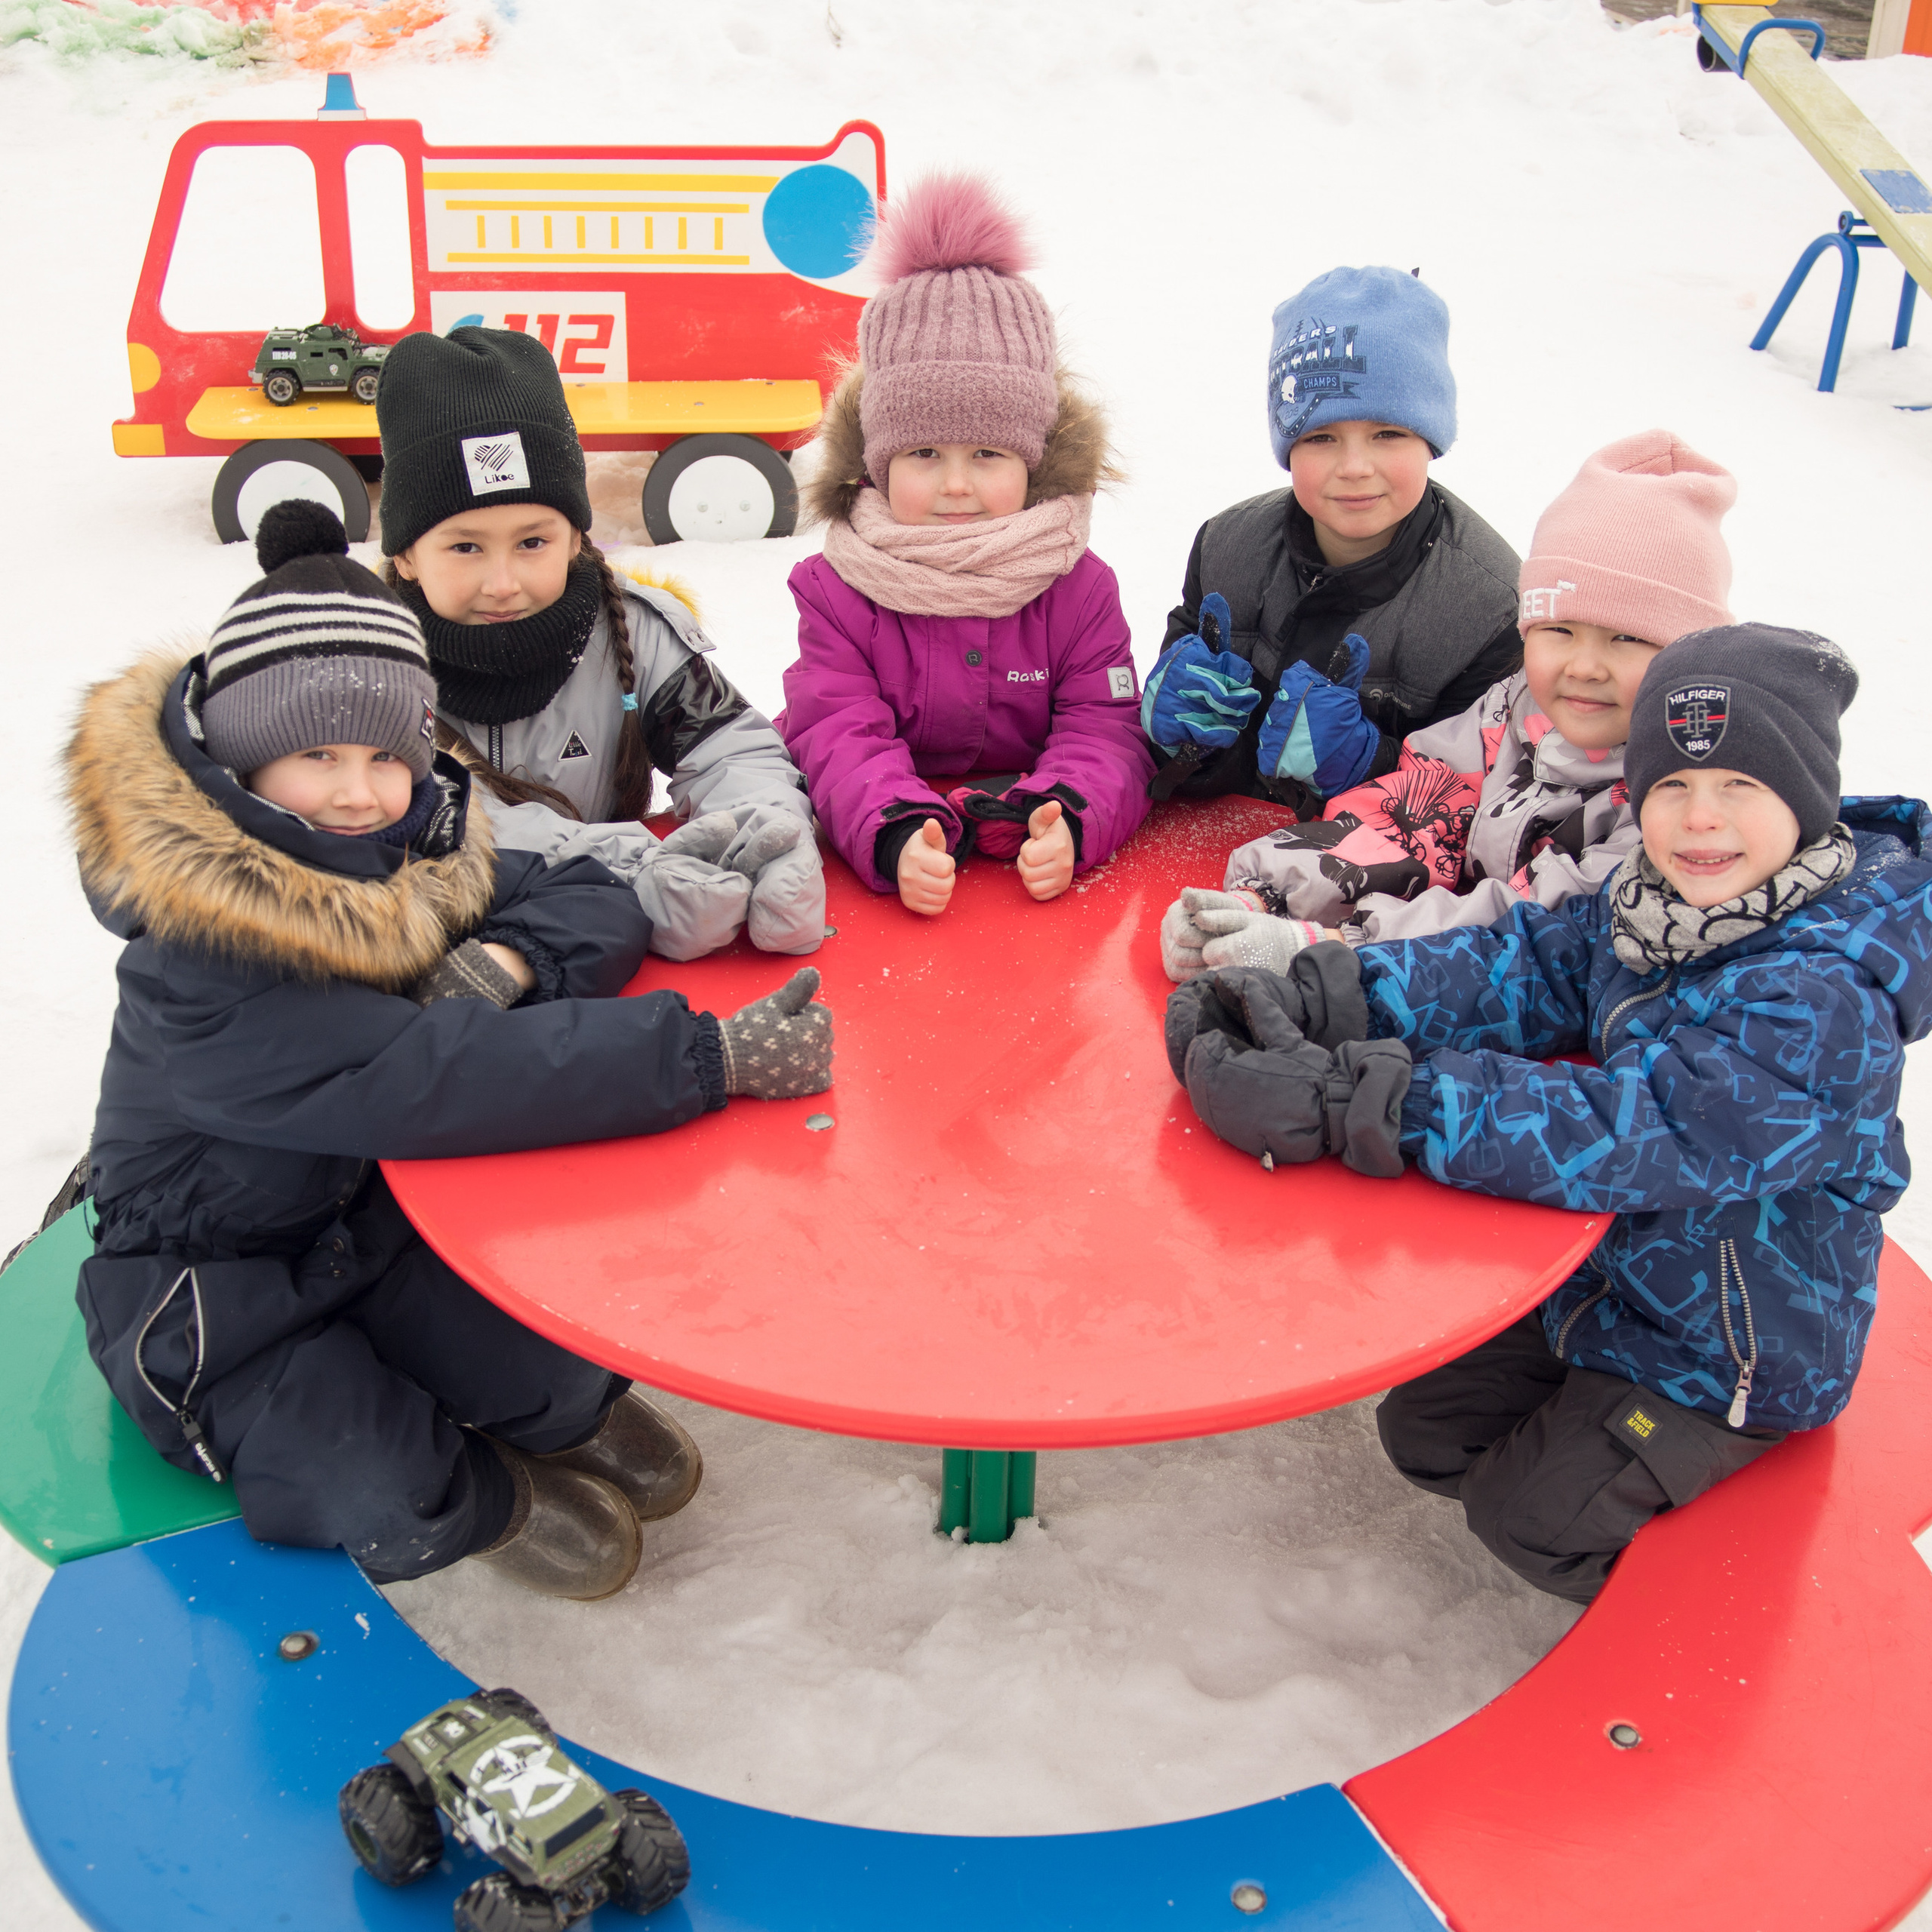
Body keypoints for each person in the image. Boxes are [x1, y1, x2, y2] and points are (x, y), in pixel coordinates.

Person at [69, 504, 835, 1603]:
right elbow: (437, 1077)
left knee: (555, 1351)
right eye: (314, 754)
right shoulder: (201, 954)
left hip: (371, 1220)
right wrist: (701, 1056)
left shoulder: (403, 844)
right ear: (235, 767)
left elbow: (585, 889)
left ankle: (562, 1416)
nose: (356, 789)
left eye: (387, 754)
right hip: (213, 1285)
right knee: (360, 1466)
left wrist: (505, 966)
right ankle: (481, 1501)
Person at [1167, 624, 1930, 1601]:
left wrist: (1362, 1099)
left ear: (1807, 801)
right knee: (1426, 1432)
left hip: (1733, 1355)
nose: (1701, 821)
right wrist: (1328, 991)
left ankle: (1725, 1628)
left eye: (1741, 787)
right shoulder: (1658, 902)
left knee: (1533, 1518)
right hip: (1614, 1289)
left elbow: (1629, 1130)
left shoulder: (1822, 998)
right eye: (1672, 788)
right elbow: (1520, 969)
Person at [1162, 430, 1737, 977]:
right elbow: (1415, 813)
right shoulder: (1518, 713)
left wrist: (1338, 947)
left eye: (1627, 637)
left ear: (1688, 652)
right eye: (1559, 631)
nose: (1583, 666)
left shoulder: (1681, 798)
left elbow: (1530, 928)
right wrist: (1265, 894)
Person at [376, 325, 823, 961]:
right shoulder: (362, 666)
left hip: (619, 960)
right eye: (465, 547)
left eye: (533, 542)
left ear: (578, 538)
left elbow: (729, 746)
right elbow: (434, 827)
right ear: (408, 557)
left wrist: (763, 831)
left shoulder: (633, 635)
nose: (502, 584)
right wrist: (632, 865)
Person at [779, 172, 1153, 918]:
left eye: (987, 455)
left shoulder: (1077, 585)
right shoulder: (837, 587)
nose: (956, 485)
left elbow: (1104, 726)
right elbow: (836, 725)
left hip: (1023, 871)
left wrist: (1066, 813)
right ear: (878, 462)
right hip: (897, 854)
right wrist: (894, 823)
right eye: (923, 455)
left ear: (1033, 461)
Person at [1141, 265, 1521, 818]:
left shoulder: (1486, 609)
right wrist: (1184, 743)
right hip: (1213, 853)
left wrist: (1368, 766)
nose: (1355, 467)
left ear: (1432, 440)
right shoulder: (1227, 550)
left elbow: (1479, 802)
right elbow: (1178, 769)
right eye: (1321, 437)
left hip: (1374, 886)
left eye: (1388, 433)